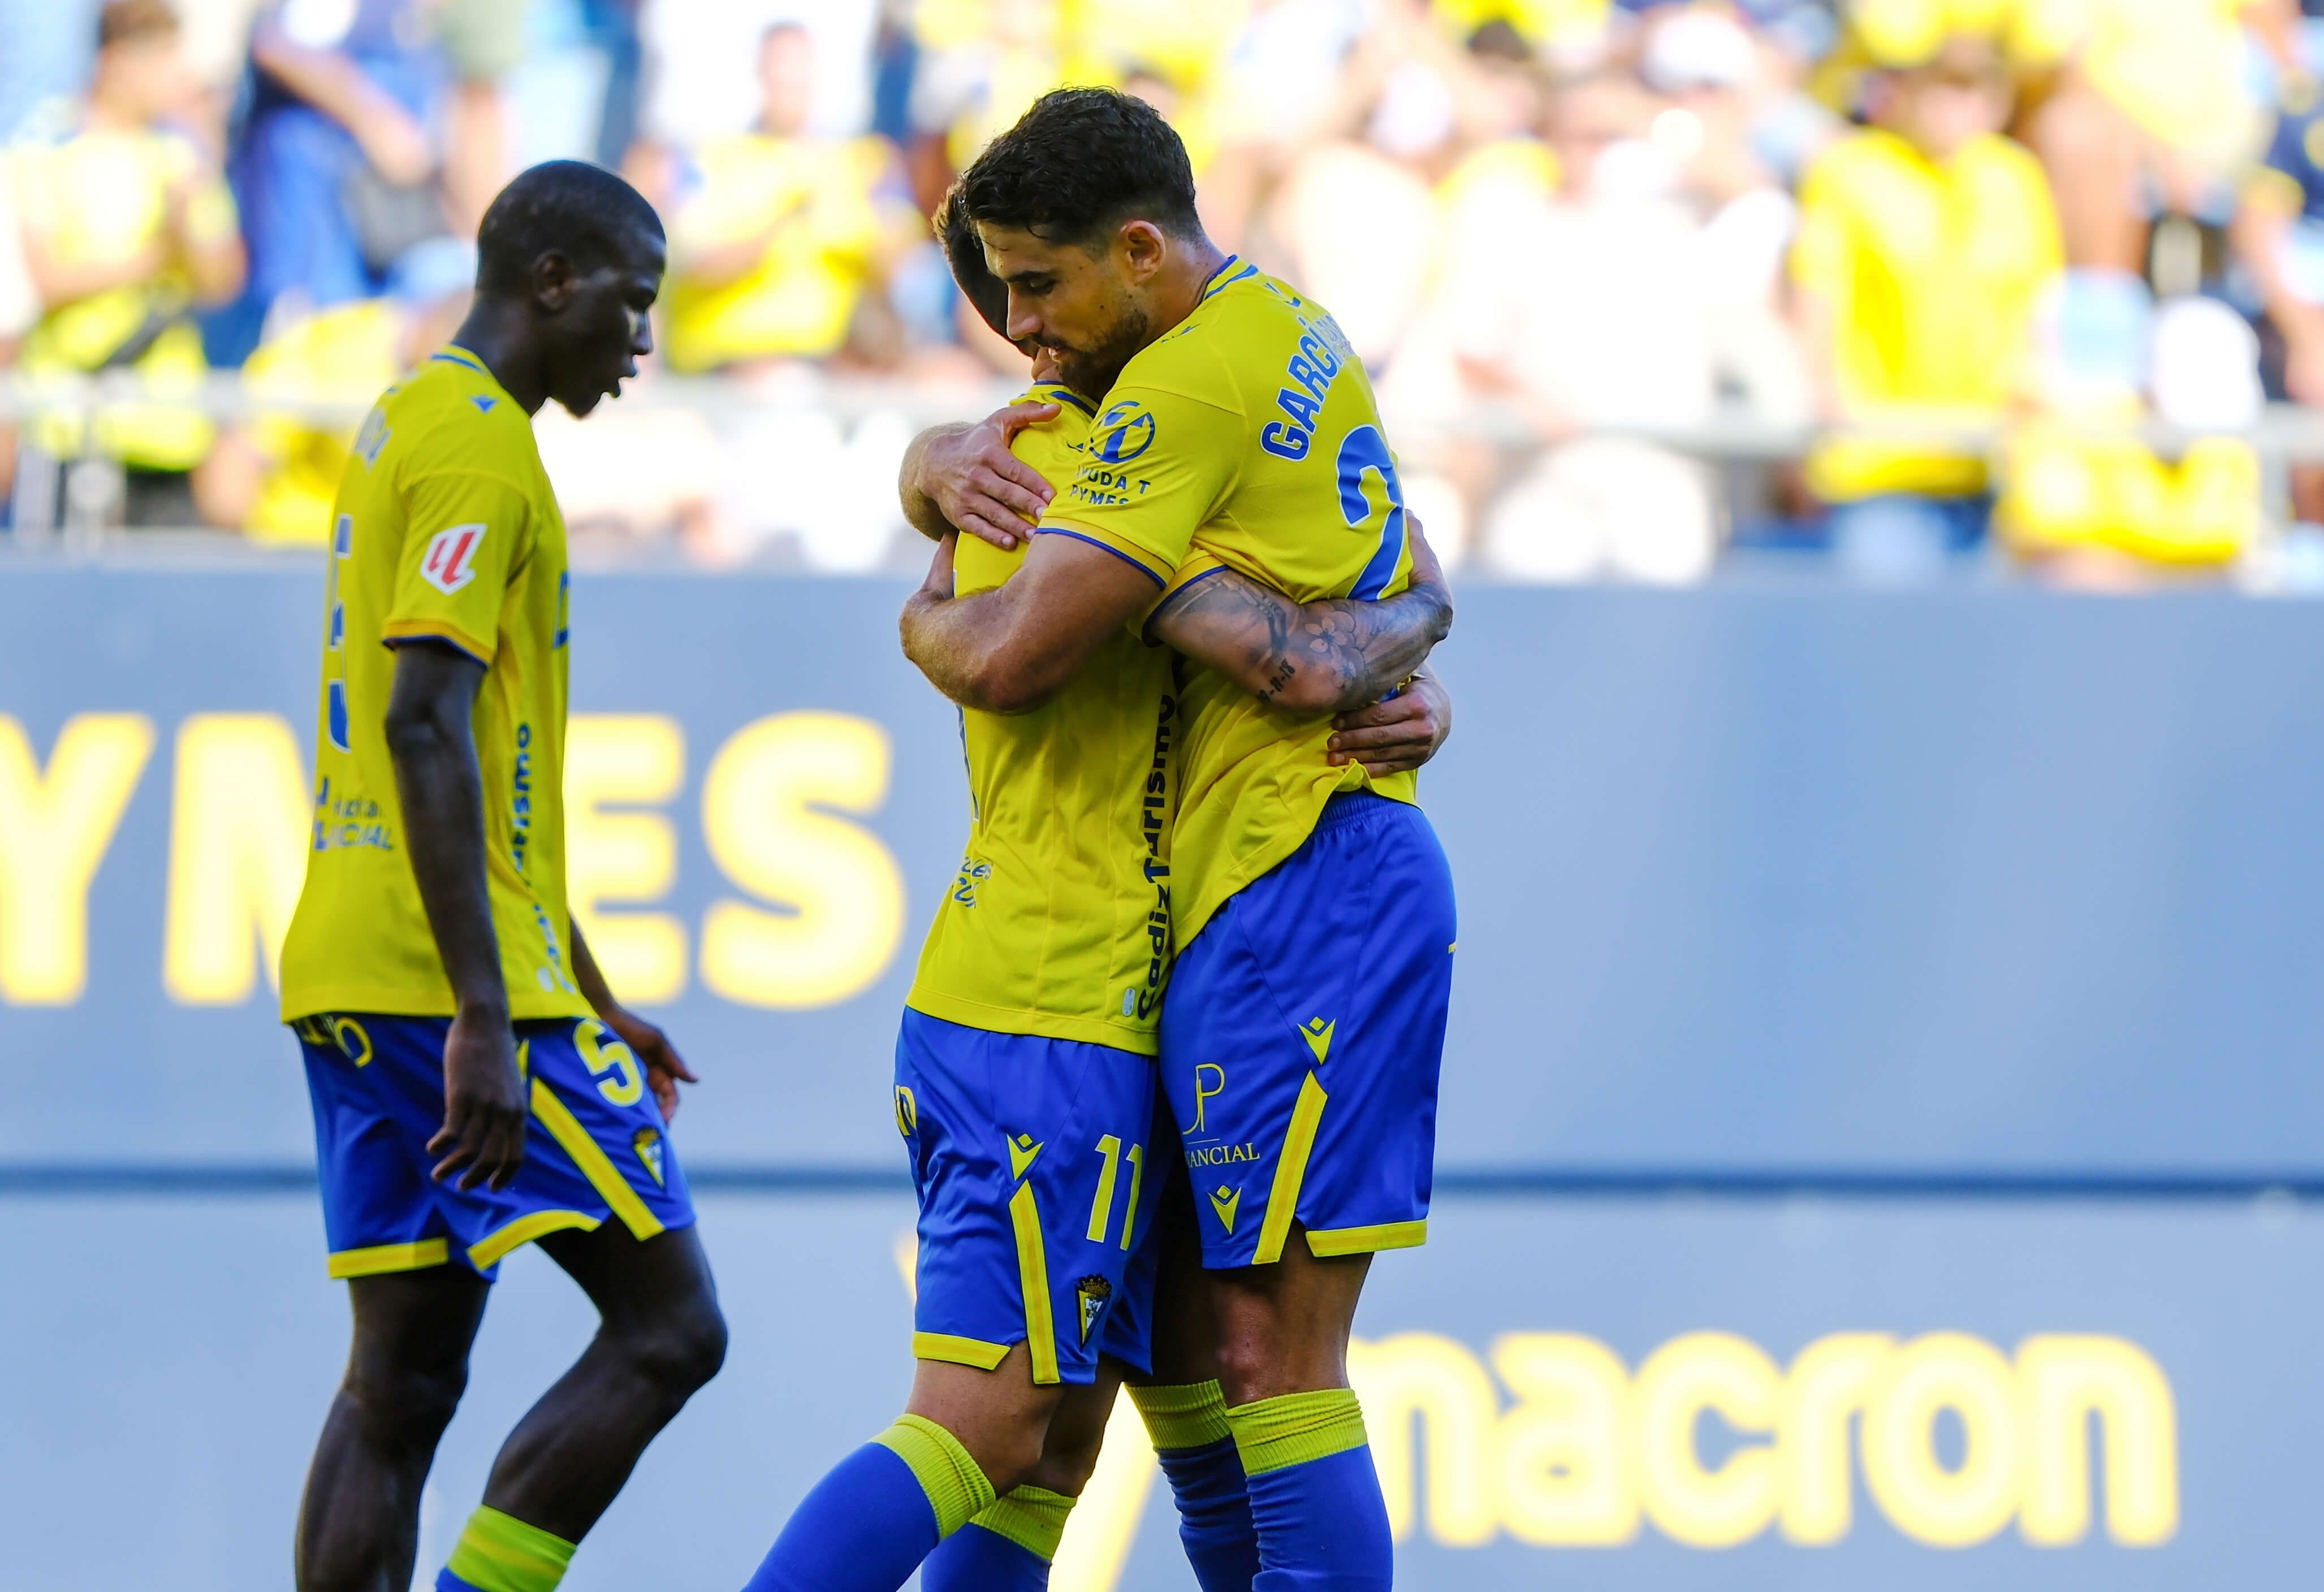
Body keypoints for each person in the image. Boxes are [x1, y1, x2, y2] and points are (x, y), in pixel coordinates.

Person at [740, 88, 1457, 1592]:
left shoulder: (1142, 425)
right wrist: (1386, 633)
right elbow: (1323, 611)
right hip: (1073, 998)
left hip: (1255, 907)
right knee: (1060, 1414)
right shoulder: (1159, 398)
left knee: (1183, 1391)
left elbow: (1043, 642)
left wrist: (928, 593)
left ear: (1134, 255)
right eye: (992, 294)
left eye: (1037, 289)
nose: (1016, 328)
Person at [275, 161, 725, 1592]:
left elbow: (485, 775)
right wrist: (489, 1008)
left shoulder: (402, 417)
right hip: (448, 992)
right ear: (550, 281)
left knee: (398, 1386)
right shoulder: (480, 446)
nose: (639, 344)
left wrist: (595, 995)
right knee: (673, 1329)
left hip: (357, 968)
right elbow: (420, 723)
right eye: (629, 302)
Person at [1791, 29, 2062, 577]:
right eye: (1942, 89)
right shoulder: (1852, 171)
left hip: (1987, 466)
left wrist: (2032, 396)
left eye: (1971, 91)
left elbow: (2037, 306)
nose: (1955, 109)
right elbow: (1817, 295)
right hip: (1880, 467)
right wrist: (1822, 399)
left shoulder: (2013, 177)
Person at [10, 0, 245, 525]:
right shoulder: (48, 146)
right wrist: (156, 258)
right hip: (69, 428)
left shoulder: (180, 157)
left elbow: (220, 282)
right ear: (115, 60)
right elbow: (46, 278)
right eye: (158, 60)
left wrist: (185, 229)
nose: (173, 77)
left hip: (168, 431)